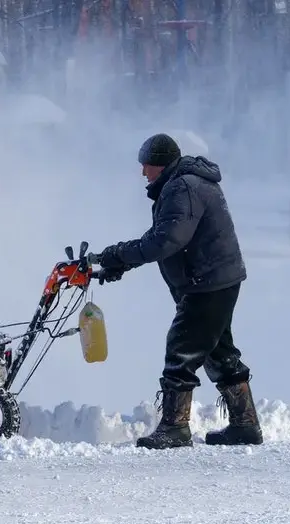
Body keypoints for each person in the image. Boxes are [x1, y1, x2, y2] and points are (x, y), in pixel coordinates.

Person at [94, 133, 263, 449]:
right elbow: (162, 234)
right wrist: (120, 261)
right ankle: (245, 425)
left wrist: (118, 254)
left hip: (207, 282)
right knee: (219, 353)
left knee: (181, 348)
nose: (143, 173)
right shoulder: (180, 185)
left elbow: (166, 241)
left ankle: (175, 426)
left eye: (146, 166)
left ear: (160, 164)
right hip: (214, 280)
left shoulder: (183, 187)